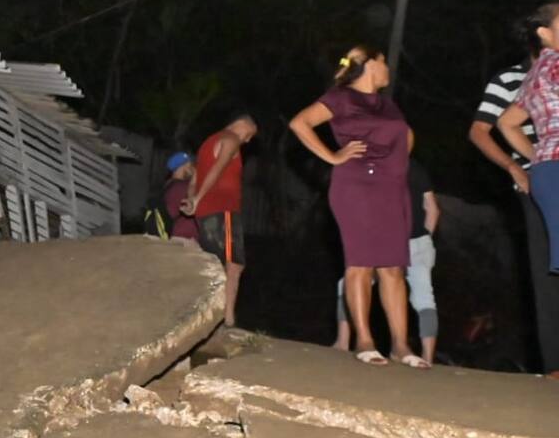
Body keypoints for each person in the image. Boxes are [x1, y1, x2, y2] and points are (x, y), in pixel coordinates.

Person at [289, 45, 428, 368]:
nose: (388, 69)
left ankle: (400, 345)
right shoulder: (341, 98)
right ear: (370, 65)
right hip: (356, 187)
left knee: (393, 267)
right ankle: (364, 339)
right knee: (361, 264)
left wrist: (395, 162)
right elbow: (300, 123)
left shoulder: (387, 104)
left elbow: (406, 135)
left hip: (392, 189)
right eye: (384, 62)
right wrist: (333, 156)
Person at [496, 2, 559, 377]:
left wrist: (540, 156)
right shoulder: (555, 65)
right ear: (545, 33)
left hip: (549, 170)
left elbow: (507, 122)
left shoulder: (537, 71)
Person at [333, 158, 441, 363]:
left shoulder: (375, 167)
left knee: (349, 282)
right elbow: (432, 209)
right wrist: (425, 236)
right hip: (420, 242)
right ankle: (427, 355)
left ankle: (343, 341)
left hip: (388, 239)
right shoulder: (416, 168)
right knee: (425, 297)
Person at [181, 114, 258, 326]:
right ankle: (227, 319)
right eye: (249, 135)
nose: (248, 140)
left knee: (215, 263)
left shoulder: (208, 142)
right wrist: (197, 198)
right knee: (233, 265)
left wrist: (192, 200)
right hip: (223, 209)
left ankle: (210, 317)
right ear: (242, 125)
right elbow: (218, 169)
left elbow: (195, 178)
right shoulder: (231, 139)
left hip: (206, 212)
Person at [155, 152, 199, 241]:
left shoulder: (169, 185)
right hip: (184, 238)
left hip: (177, 236)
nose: (193, 168)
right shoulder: (181, 187)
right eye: (191, 165)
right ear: (184, 166)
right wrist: (196, 176)